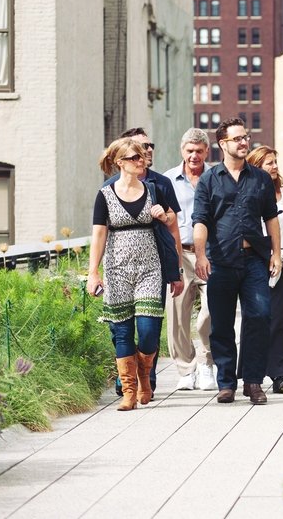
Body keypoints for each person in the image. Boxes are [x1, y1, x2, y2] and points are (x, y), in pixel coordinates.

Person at [192, 118, 282, 405]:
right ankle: (227, 382)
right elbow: (201, 220)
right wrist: (201, 254)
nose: (244, 142)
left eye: (246, 137)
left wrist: (276, 253)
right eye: (237, 139)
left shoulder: (260, 178)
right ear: (223, 144)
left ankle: (253, 381)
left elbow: (271, 217)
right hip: (220, 261)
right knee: (221, 324)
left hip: (254, 258)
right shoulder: (209, 179)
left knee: (259, 316)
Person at [87, 138, 181, 410]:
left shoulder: (153, 189)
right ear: (120, 162)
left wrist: (163, 215)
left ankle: (144, 376)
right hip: (117, 270)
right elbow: (99, 234)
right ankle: (129, 391)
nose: (142, 161)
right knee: (123, 332)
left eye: (142, 156)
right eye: (134, 157)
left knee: (149, 331)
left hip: (150, 269)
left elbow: (173, 219)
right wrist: (93, 272)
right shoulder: (105, 194)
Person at [242, 146, 283, 394]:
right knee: (255, 318)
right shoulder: (247, 192)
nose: (275, 167)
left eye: (275, 162)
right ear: (256, 167)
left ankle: (280, 374)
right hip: (256, 261)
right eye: (269, 163)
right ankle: (250, 375)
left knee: (279, 318)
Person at [165, 128, 217, 392]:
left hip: (210, 253)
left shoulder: (218, 176)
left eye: (199, 151)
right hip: (179, 253)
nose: (194, 155)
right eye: (189, 150)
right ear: (182, 151)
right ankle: (186, 368)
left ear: (207, 151)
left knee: (211, 311)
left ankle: (207, 362)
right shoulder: (167, 181)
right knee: (176, 314)